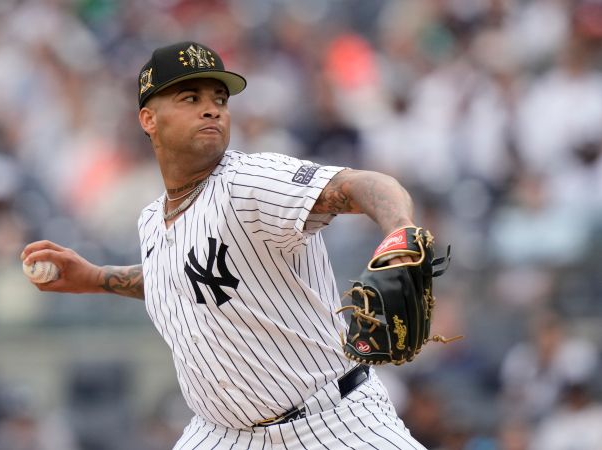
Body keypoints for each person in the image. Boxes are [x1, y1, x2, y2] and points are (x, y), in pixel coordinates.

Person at [22, 41, 426, 449]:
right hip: (223, 435)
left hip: (332, 423)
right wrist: (95, 278)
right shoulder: (152, 219)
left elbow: (362, 185)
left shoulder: (248, 182)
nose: (212, 108)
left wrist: (400, 231)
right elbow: (180, 280)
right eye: (190, 98)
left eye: (220, 99)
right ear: (148, 119)